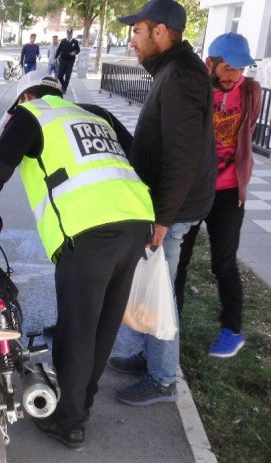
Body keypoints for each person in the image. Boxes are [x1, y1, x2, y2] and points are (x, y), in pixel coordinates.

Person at [0, 71, 155, 450]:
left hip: (89, 232)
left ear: (25, 95)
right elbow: (140, 156)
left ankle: (70, 422)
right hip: (136, 222)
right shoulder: (94, 114)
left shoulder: (31, 115)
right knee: (104, 323)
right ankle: (82, 405)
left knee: (77, 330)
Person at [109, 0, 216, 406]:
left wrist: (162, 219)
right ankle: (150, 356)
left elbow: (182, 157)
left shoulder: (182, 75)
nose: (131, 38)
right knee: (155, 284)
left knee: (161, 291)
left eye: (137, 30)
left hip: (175, 209)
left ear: (160, 31)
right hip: (170, 205)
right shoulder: (172, 69)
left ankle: (164, 378)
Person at [174, 33, 262, 358]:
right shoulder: (194, 89)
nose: (233, 76)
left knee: (224, 263)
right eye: (228, 68)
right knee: (177, 261)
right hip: (195, 190)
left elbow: (247, 133)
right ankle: (170, 325)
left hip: (228, 193)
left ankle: (232, 330)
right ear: (210, 63)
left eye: (239, 70)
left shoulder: (250, 92)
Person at [55, 27, 80, 93]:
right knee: (60, 75)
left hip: (70, 61)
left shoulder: (75, 41)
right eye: (68, 33)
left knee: (67, 76)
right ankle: (64, 86)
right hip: (62, 60)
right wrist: (55, 57)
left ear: (72, 34)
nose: (69, 35)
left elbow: (78, 50)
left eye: (70, 33)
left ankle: (64, 89)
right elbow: (59, 50)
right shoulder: (63, 41)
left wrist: (74, 53)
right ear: (66, 33)